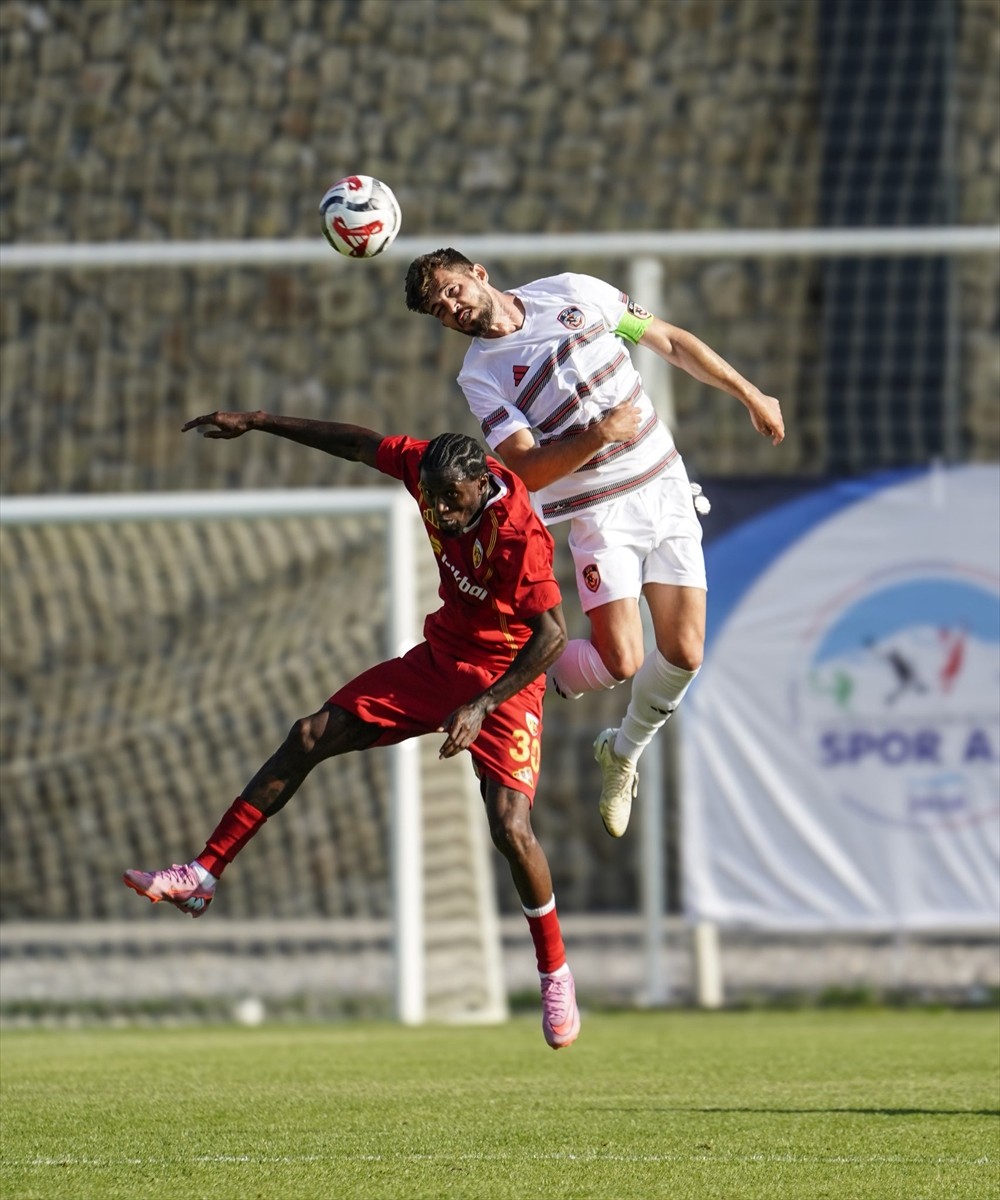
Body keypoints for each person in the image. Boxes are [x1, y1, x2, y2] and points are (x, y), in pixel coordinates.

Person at [123, 411, 580, 1050]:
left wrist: (482, 705)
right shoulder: (428, 468)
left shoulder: (521, 534)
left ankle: (554, 973)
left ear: (480, 485)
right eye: (431, 499)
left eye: (451, 502)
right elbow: (355, 442)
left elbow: (554, 636)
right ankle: (203, 874)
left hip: (507, 676)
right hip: (441, 657)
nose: (439, 513)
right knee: (309, 733)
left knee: (509, 826)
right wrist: (256, 421)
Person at [405, 249, 784, 838]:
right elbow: (526, 470)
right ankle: (527, 676)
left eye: (452, 291)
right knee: (621, 660)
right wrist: (601, 434)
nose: (452, 309)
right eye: (440, 310)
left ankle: (623, 751)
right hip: (599, 513)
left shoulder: (573, 291)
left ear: (478, 273)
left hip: (665, 484)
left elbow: (669, 341)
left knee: (685, 654)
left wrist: (751, 394)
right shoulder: (479, 375)